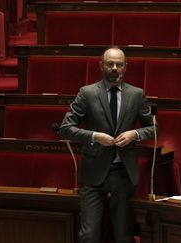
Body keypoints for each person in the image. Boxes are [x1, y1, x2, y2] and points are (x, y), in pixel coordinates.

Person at [59, 47, 156, 243]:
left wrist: (134, 134)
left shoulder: (137, 94)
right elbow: (65, 128)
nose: (114, 68)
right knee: (89, 235)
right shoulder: (87, 93)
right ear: (101, 66)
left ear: (125, 67)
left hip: (123, 174)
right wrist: (94, 136)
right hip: (94, 173)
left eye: (119, 64)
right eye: (110, 64)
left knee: (123, 236)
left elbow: (153, 128)